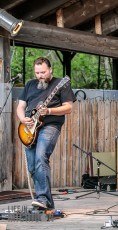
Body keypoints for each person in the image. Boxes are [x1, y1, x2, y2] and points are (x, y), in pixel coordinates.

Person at [16, 57, 76, 210]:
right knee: (32, 166)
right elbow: (20, 107)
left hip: (50, 125)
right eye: (37, 73)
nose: (40, 75)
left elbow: (68, 108)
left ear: (50, 70)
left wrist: (49, 110)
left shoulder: (61, 84)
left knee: (41, 156)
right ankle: (46, 202)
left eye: (43, 72)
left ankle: (42, 198)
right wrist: (23, 119)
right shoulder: (29, 85)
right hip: (28, 129)